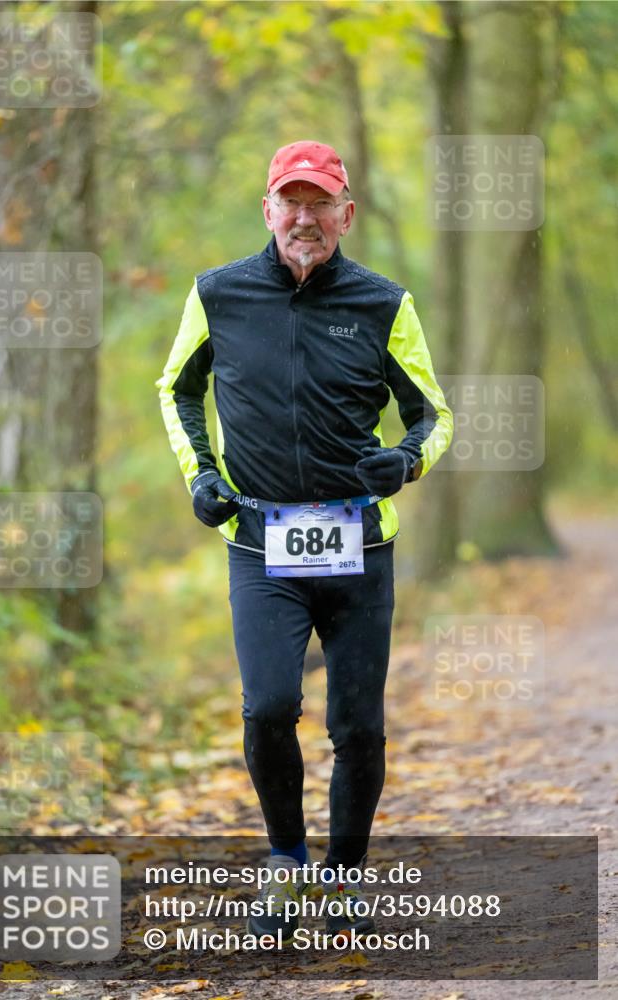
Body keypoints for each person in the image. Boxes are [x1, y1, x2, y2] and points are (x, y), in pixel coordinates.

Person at [156, 140, 453, 943]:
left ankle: (344, 880)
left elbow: (432, 414)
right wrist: (200, 475)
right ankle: (286, 863)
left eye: (320, 203)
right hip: (260, 544)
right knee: (268, 708)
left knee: (356, 727)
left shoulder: (383, 303)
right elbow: (177, 389)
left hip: (360, 545)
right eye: (290, 202)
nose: (304, 218)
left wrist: (407, 459)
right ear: (267, 211)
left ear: (345, 214)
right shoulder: (216, 294)